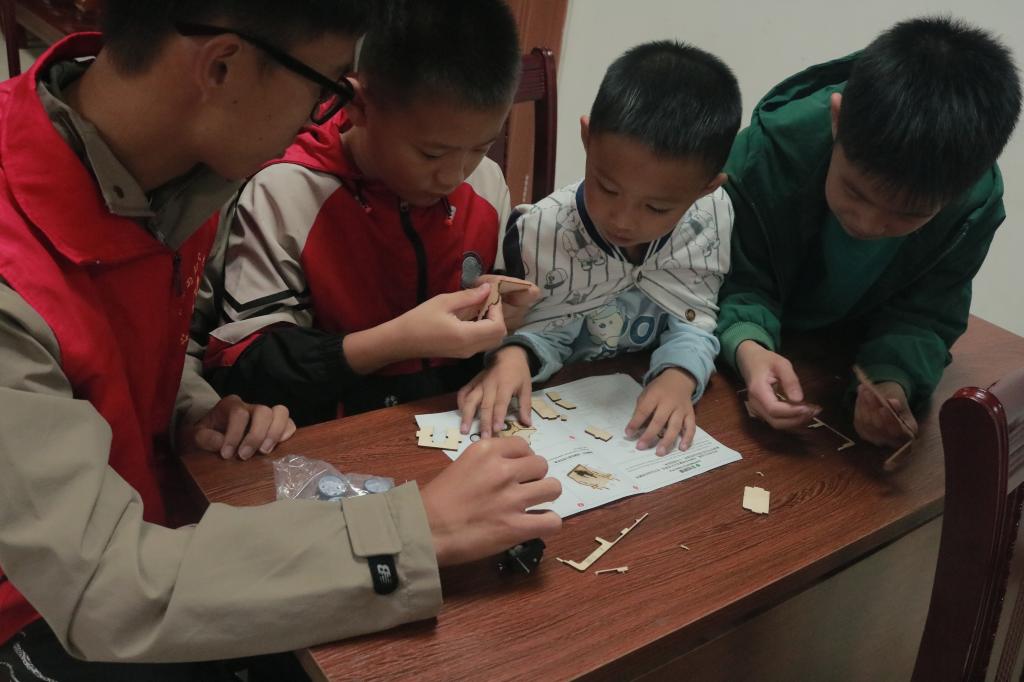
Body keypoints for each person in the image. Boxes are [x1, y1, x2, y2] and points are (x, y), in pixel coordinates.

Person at [0, 1, 560, 677]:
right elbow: (105, 593)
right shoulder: (17, 266)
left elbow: (119, 344)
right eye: (327, 83)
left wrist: (192, 406)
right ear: (224, 66)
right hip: (43, 612)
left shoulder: (168, 172)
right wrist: (419, 530)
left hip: (155, 525)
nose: (331, 115)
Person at [201, 0, 540, 427]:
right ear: (358, 104)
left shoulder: (485, 183)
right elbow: (247, 372)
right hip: (328, 437)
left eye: (480, 147)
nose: (454, 176)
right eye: (431, 153)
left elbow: (503, 317)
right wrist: (395, 342)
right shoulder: (286, 192)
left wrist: (509, 333)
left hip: (454, 426)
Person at [715, 16, 1022, 447]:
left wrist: (892, 382)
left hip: (839, 358)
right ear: (837, 120)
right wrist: (748, 347)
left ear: (959, 191)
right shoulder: (765, 155)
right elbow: (730, 275)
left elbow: (925, 315)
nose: (867, 224)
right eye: (854, 192)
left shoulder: (972, 207)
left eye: (908, 214)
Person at [458, 41, 741, 456]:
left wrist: (680, 375)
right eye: (607, 188)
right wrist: (516, 354)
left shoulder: (707, 220)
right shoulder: (545, 231)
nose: (623, 220)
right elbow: (542, 325)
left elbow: (694, 318)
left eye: (657, 208)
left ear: (706, 189)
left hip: (629, 418)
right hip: (561, 412)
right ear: (588, 139)